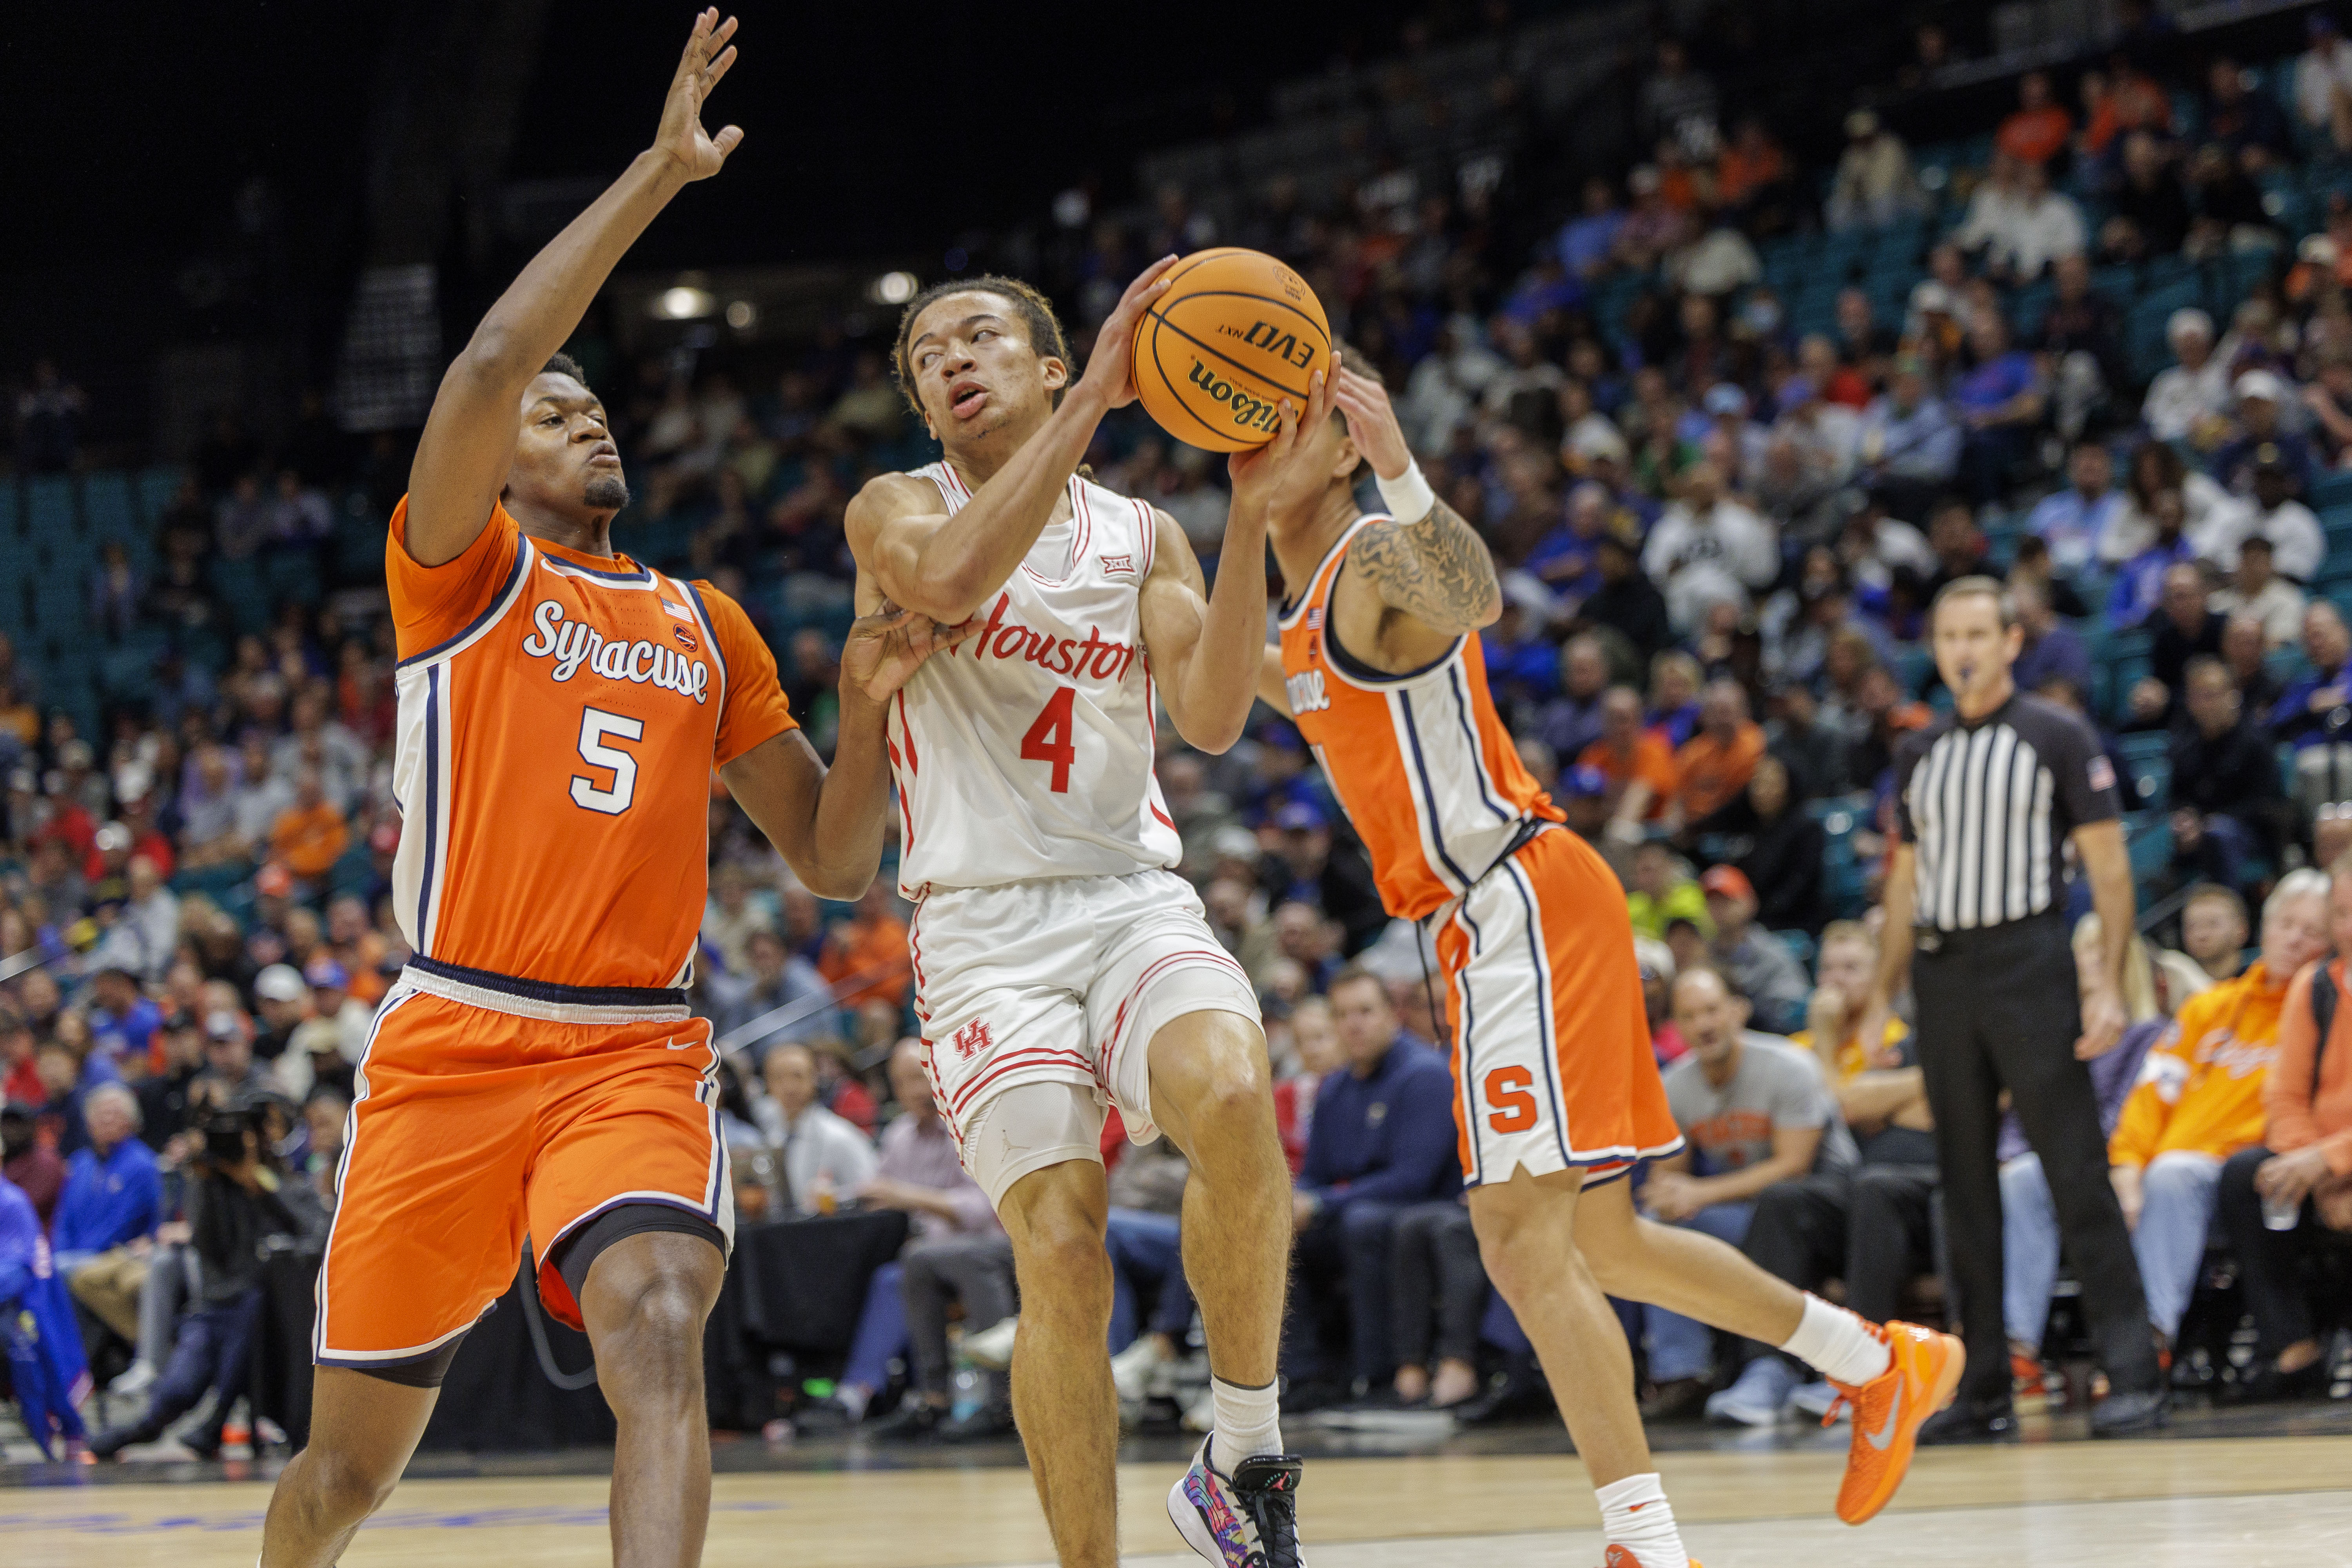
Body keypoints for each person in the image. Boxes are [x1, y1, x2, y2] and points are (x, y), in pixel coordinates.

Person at [259, 23, 965, 1567]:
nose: (590, 418)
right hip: (450, 1039)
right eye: (557, 414)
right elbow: (493, 359)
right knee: (343, 1475)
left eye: (599, 408)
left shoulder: (706, 626)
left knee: (656, 1325)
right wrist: (660, 173)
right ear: (493, 464)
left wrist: (860, 699)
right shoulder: (458, 576)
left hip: (634, 1047)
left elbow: (834, 864)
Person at [1257, 354, 1959, 1566]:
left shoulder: (1371, 556)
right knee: (1606, 1246)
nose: (1249, 443)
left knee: (1521, 1249)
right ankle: (1876, 1360)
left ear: (1334, 445)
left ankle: (1644, 1542)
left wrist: (1395, 463)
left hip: (1512, 899)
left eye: (1277, 422)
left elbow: (1473, 598)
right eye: (1236, 427)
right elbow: (1214, 693)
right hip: (1497, 913)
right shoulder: (1299, 613)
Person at [849, 256, 1299, 1567]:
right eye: (930, 355)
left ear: (1048, 364)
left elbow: (1211, 719)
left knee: (1228, 1093)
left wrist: (1249, 517)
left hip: (1125, 894)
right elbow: (942, 584)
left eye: (979, 335)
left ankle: (1245, 1453)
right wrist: (1097, 403)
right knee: (1062, 1245)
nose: (951, 359)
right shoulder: (894, 507)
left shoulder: (1138, 532)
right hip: (984, 927)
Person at [1857, 577, 2169, 1442]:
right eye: (1949, 633)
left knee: (2073, 1168)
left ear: (2009, 642)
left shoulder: (2057, 735)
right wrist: (1882, 997)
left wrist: (2105, 982)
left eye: (1978, 632)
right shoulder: (1919, 752)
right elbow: (1905, 882)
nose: (1963, 648)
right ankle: (1984, 1384)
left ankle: (2134, 1371)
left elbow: (2110, 870)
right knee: (1962, 1186)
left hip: (2030, 962)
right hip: (1941, 974)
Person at [2110, 871, 2328, 1355]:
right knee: (2034, 1180)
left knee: (2172, 1174)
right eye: (2286, 924)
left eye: (2312, 931)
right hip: (2167, 1169)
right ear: (2263, 928)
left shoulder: (2323, 1015)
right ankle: (2022, 1352)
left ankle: (2148, 1345)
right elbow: (2151, 1094)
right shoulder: (2206, 1008)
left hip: (2233, 1174)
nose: (2295, 939)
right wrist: (2126, 1164)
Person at [1640, 967, 1859, 1425]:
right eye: (1690, 1016)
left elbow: (1793, 1165)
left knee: (1777, 1206)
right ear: (1676, 1028)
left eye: (1713, 1011)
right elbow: (1668, 1179)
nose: (1704, 1025)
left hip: (1825, 1209)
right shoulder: (1674, 1085)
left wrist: (1699, 1191)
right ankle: (1684, 1374)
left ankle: (1774, 1371)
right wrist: (1669, 1197)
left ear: (1738, 1011)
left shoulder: (1788, 1065)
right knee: (1649, 1230)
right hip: (1746, 1210)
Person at [1285, 967, 1458, 1400]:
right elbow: (1316, 1173)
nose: (1354, 1024)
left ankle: (1377, 1374)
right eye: (1342, 1014)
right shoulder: (1335, 1087)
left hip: (1426, 1208)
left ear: (1392, 1015)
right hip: (1356, 1207)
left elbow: (1412, 1178)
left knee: (1361, 1224)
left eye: (1365, 1011)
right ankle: (1305, 1375)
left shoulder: (1424, 1074)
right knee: (1274, 1231)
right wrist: (1297, 1202)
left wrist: (1321, 1204)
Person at [2215, 856, 2352, 1403]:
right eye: (2341, 914)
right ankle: (2294, 1351)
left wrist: (2331, 1163)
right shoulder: (2313, 987)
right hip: (2323, 1161)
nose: (2350, 927)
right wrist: (2309, 1169)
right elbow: (2286, 1097)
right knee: (2248, 1176)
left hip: (2337, 1159)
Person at [753, 1043, 877, 1214]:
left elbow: (873, 1191)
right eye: (779, 1078)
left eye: (798, 1076)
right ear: (768, 1085)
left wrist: (836, 1198)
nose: (789, 1087)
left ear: (814, 1079)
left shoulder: (840, 1136)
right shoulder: (771, 1136)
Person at [1698, 868, 1808, 1035]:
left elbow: (1792, 1012)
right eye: (1713, 902)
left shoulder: (1774, 953)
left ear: (1750, 902)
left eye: (1727, 900)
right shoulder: (1702, 957)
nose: (1719, 908)